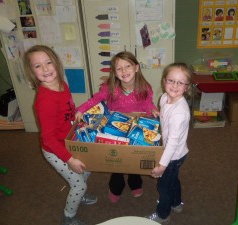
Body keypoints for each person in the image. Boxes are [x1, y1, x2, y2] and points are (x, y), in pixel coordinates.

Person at [23, 45, 97, 225]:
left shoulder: (62, 84)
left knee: (86, 168)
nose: (46, 69)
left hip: (69, 140)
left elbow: (67, 110)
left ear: (56, 63)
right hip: (55, 150)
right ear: (32, 71)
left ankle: (81, 192)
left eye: (48, 62)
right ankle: (68, 217)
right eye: (38, 66)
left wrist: (76, 114)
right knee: (79, 184)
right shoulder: (45, 101)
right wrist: (69, 159)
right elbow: (47, 138)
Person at [75, 51, 159, 203]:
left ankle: (135, 183)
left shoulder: (144, 87)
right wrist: (81, 109)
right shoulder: (110, 87)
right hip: (113, 127)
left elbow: (147, 104)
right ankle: (115, 187)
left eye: (128, 66)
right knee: (116, 160)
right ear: (114, 72)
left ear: (136, 68)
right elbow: (95, 100)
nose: (124, 71)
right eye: (119, 68)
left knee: (134, 157)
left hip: (135, 127)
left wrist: (152, 109)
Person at [146, 63, 192, 224]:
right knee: (173, 180)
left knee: (163, 187)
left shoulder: (180, 112)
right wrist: (158, 114)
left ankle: (162, 214)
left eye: (180, 83)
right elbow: (165, 115)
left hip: (173, 156)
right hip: (176, 153)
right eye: (171, 80)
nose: (174, 85)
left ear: (186, 87)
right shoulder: (164, 98)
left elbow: (172, 143)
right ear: (164, 81)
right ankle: (176, 203)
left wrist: (162, 166)